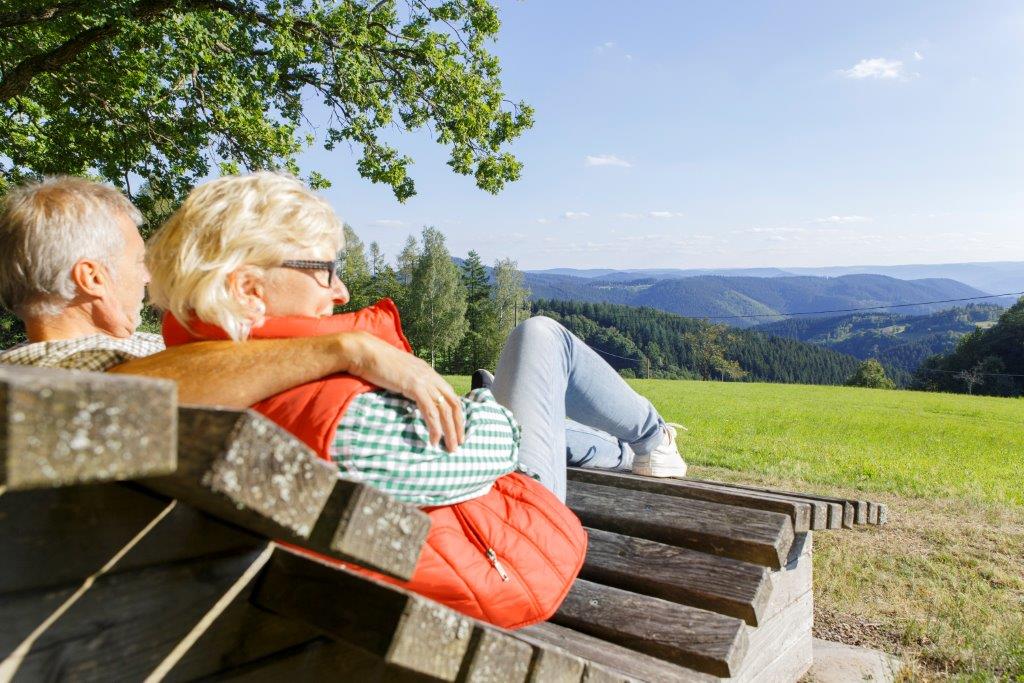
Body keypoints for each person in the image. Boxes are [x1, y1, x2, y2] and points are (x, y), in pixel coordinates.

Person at [144, 172, 687, 628]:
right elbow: (499, 443)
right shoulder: (344, 421)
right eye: (324, 271)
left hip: (444, 530)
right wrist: (481, 406)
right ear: (248, 290)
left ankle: (627, 451)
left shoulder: (201, 377)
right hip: (508, 553)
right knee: (542, 337)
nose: (340, 291)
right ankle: (651, 438)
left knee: (535, 410)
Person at [0, 176, 467, 451]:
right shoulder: (76, 376)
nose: (147, 278)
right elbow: (119, 394)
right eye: (138, 261)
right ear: (92, 277)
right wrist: (348, 348)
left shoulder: (24, 370)